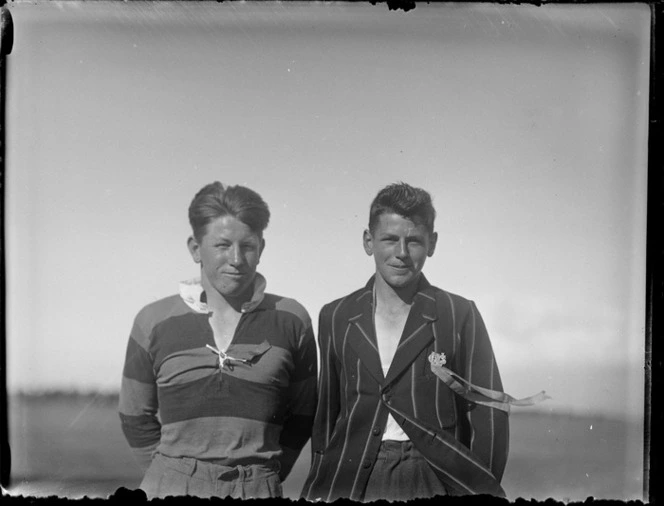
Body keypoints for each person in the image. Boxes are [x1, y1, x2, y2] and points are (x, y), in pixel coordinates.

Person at [301, 182, 509, 502]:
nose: (401, 253)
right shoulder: (336, 315)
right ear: (368, 242)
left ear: (432, 243)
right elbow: (327, 415)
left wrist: (479, 489)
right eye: (389, 239)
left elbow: (488, 410)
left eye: (413, 241)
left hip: (434, 478)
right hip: (352, 477)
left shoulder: (458, 313)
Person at [119, 182, 317, 499]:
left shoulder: (292, 319)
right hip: (170, 485)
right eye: (222, 245)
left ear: (261, 248)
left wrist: (261, 479)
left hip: (258, 488)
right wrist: (171, 475)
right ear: (195, 248)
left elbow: (303, 414)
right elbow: (134, 416)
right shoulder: (153, 320)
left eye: (248, 246)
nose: (236, 259)